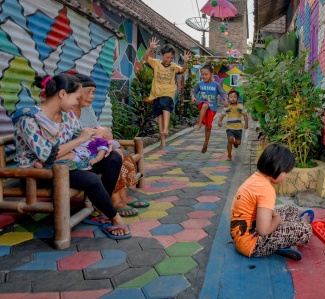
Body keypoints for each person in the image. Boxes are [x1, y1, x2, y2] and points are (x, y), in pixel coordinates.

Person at [13, 74, 130, 239]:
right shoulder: (29, 119)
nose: (77, 102)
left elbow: (82, 136)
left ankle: (102, 208)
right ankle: (115, 218)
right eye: (76, 97)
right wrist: (81, 140)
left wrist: (102, 144)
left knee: (113, 158)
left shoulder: (67, 115)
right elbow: (46, 155)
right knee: (90, 179)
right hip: (38, 173)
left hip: (66, 164)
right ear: (62, 94)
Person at [72, 73, 147, 217]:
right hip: (83, 154)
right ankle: (115, 200)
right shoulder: (67, 112)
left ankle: (122, 197)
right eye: (88, 93)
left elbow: (99, 131)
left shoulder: (87, 110)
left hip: (94, 149)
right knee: (115, 155)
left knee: (120, 153)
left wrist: (109, 142)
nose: (92, 96)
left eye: (93, 92)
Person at [230, 143, 313, 260]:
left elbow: (261, 209)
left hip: (242, 236)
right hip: (252, 244)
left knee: (291, 209)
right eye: (286, 172)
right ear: (277, 169)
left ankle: (287, 237)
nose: (286, 176)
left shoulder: (255, 178)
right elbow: (263, 230)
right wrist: (278, 220)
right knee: (306, 230)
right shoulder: (266, 190)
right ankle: (292, 234)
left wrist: (277, 218)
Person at [143, 37, 191, 149]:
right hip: (156, 93)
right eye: (167, 57)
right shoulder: (156, 63)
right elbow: (145, 58)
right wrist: (150, 48)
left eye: (171, 58)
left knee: (166, 108)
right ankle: (163, 140)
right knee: (159, 115)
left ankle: (165, 129)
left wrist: (185, 62)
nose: (169, 60)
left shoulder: (174, 67)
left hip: (168, 92)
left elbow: (183, 70)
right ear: (161, 55)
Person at [191, 63, 228, 153]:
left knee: (208, 127)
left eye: (206, 74)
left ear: (211, 74)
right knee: (205, 105)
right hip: (202, 103)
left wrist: (226, 100)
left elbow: (222, 93)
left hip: (212, 108)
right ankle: (199, 124)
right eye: (202, 74)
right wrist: (193, 97)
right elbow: (194, 91)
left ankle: (206, 144)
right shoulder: (200, 84)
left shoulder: (216, 85)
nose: (203, 76)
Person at [218, 90, 248, 160]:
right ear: (228, 98)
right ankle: (229, 156)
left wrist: (246, 124)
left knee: (238, 143)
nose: (233, 98)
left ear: (237, 98)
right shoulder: (227, 107)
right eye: (231, 97)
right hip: (229, 127)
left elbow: (245, 116)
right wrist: (219, 121)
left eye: (235, 97)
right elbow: (222, 115)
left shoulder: (240, 107)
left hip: (238, 128)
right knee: (230, 140)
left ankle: (235, 143)